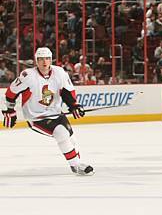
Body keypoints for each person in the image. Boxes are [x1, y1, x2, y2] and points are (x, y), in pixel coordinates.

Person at [2, 47, 93, 175]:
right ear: (36, 61)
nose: (44, 62)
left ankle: (76, 163)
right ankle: (77, 166)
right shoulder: (27, 75)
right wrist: (10, 110)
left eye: (47, 59)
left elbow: (67, 92)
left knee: (72, 139)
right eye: (40, 59)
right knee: (61, 133)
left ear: (51, 60)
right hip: (36, 118)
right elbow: (11, 92)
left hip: (56, 113)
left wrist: (74, 106)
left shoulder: (60, 72)